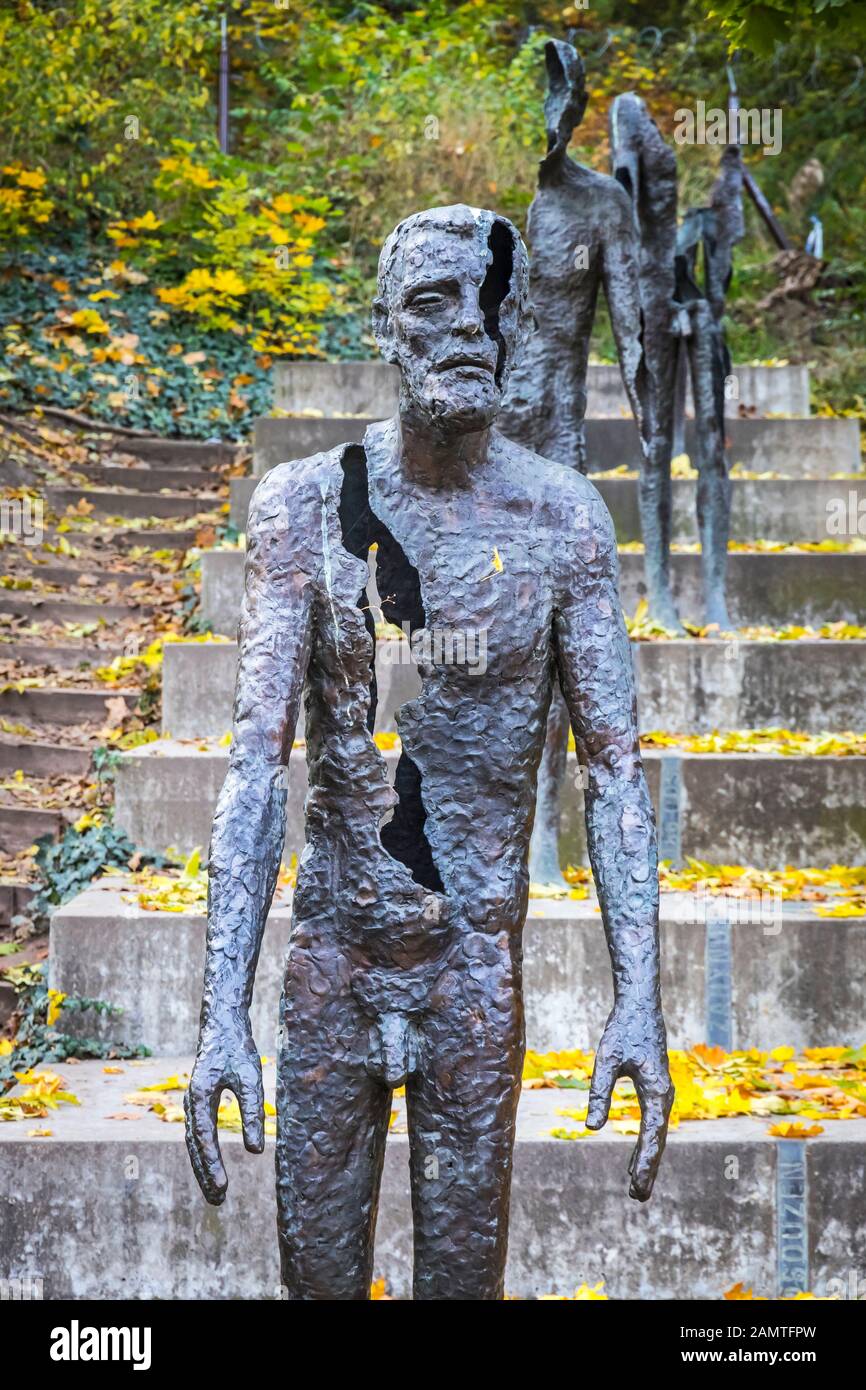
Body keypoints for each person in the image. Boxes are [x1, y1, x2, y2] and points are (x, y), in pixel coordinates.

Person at [185, 203, 673, 1301]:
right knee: (314, 1279)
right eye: (429, 302)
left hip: (470, 975)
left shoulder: (561, 522)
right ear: (385, 326)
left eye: (486, 302)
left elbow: (612, 771)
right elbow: (254, 766)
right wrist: (220, 1006)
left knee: (462, 1282)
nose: (463, 327)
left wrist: (636, 995)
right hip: (331, 964)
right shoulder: (304, 509)